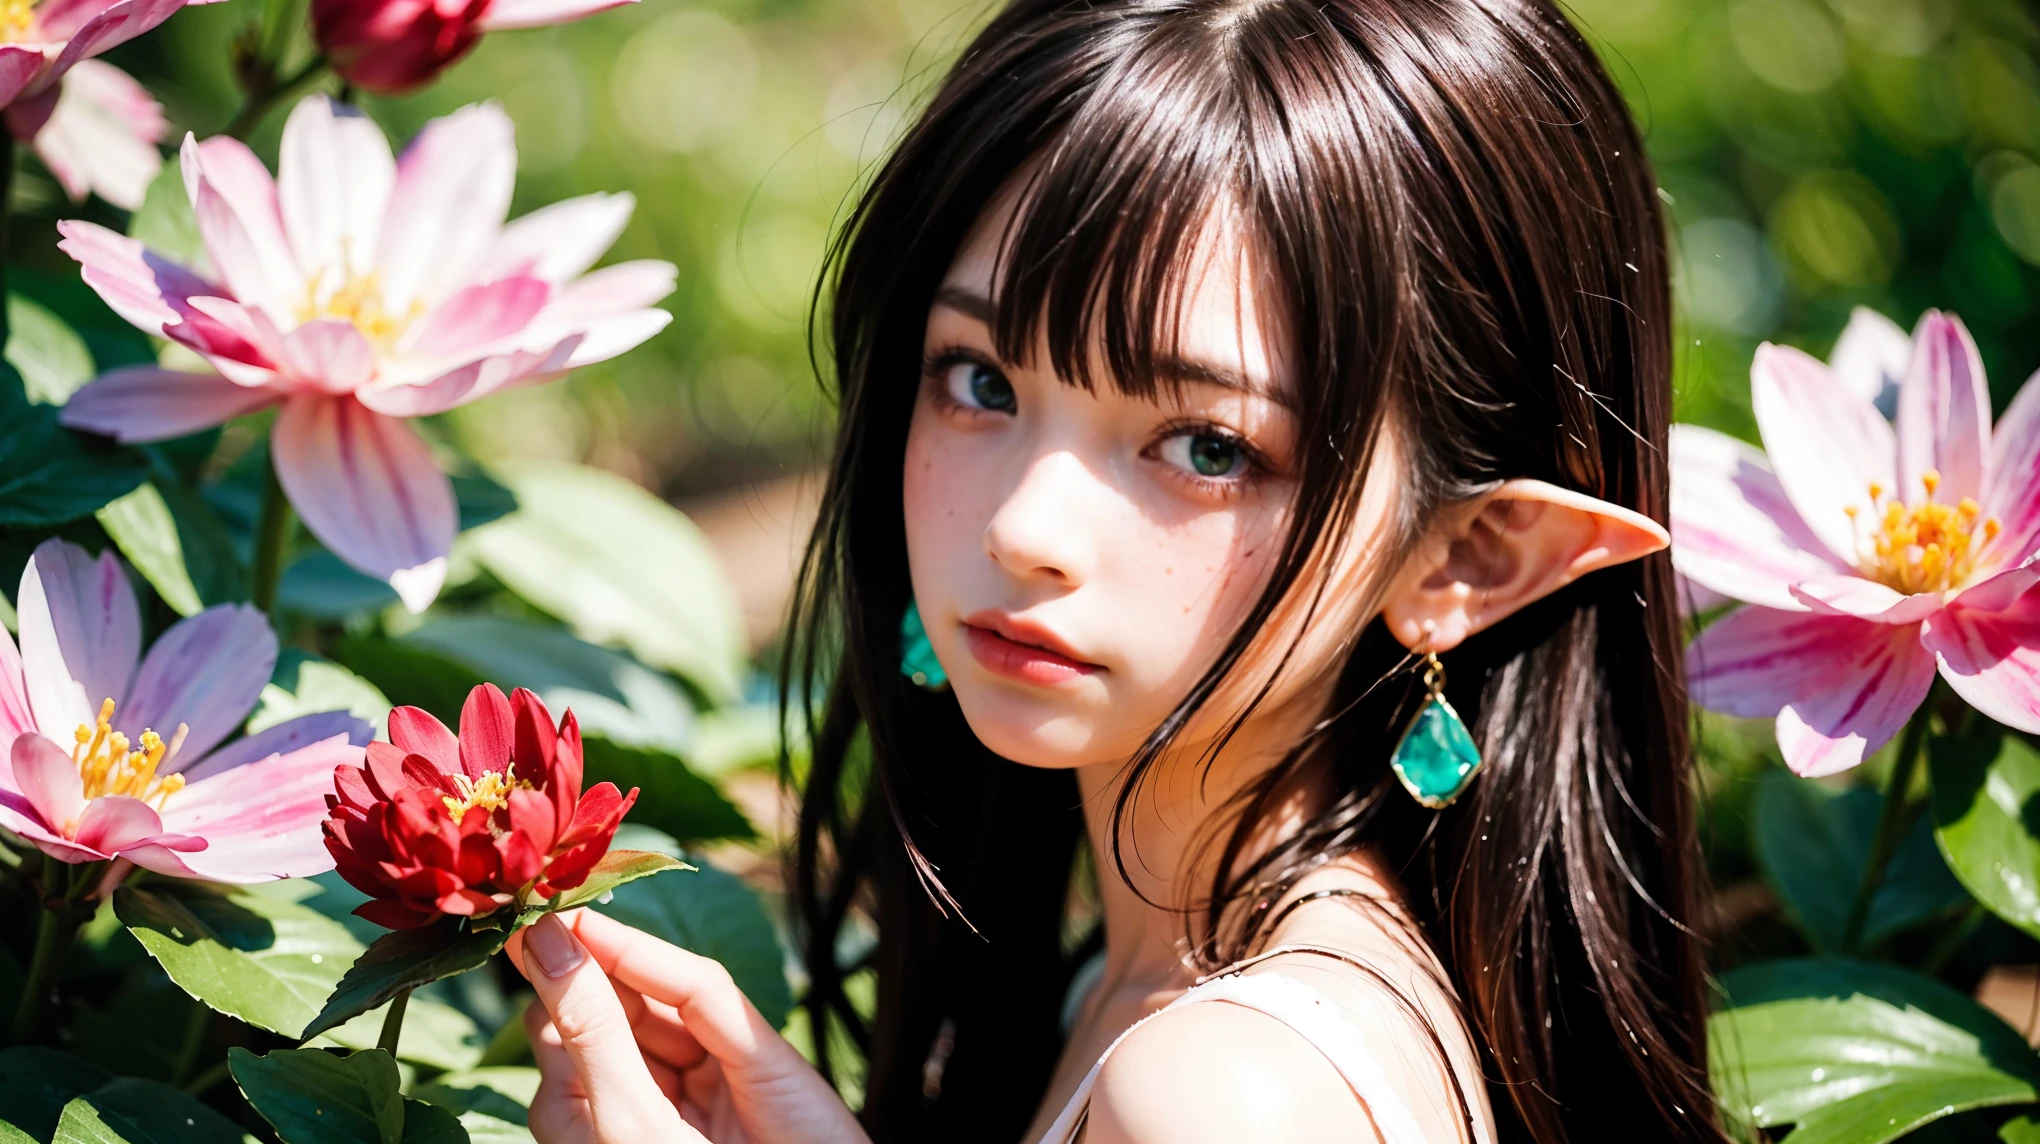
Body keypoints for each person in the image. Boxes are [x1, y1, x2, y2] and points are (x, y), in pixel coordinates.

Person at [505, 0, 1727, 1139]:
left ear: (1468, 554)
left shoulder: (1215, 1088)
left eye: (1208, 446)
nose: (1022, 525)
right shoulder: (1166, 985)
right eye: (981, 379)